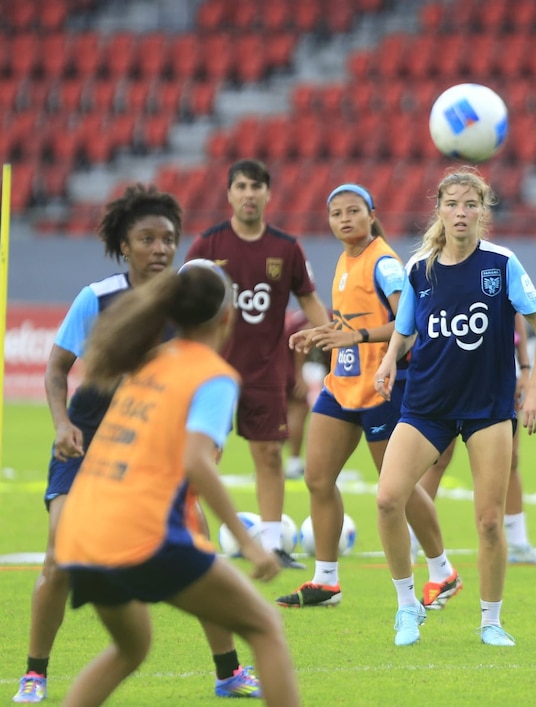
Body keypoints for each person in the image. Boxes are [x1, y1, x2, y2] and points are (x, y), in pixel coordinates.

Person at [13, 185, 260, 704]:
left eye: (168, 238)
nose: (160, 248)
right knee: (59, 558)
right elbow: (58, 370)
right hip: (85, 450)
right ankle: (35, 673)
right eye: (146, 239)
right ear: (124, 246)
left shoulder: (192, 301)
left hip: (158, 457)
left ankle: (229, 672)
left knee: (201, 548)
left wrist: (210, 440)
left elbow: (206, 379)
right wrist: (61, 425)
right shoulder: (98, 298)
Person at [53, 261, 300, 707]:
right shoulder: (213, 375)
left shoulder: (147, 363)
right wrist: (251, 542)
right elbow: (196, 463)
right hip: (140, 535)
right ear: (228, 317)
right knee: (264, 627)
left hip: (80, 532)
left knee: (131, 648)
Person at [373, 167, 536, 647]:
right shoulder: (420, 268)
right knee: (389, 497)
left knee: (489, 520)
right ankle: (407, 607)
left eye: (470, 204)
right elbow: (406, 326)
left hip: (487, 408)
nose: (461, 212)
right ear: (439, 209)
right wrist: (390, 359)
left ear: (483, 211)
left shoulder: (502, 263)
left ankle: (491, 621)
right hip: (426, 406)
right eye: (452, 204)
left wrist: (534, 385)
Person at [274, 184, 462, 611]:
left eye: (353, 211)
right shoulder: (344, 260)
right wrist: (325, 334)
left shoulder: (385, 264)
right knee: (318, 478)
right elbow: (349, 322)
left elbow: (408, 324)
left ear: (371, 214)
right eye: (336, 212)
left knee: (396, 486)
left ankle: (442, 570)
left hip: (382, 386)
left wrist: (355, 336)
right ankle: (326, 581)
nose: (344, 218)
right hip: (342, 386)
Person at [186, 159, 331, 569]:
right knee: (203, 455)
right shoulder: (208, 246)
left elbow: (308, 301)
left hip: (266, 371)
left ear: (268, 194)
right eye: (242, 186)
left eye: (257, 187)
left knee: (269, 456)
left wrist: (341, 344)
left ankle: (272, 546)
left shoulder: (286, 248)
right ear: (229, 194)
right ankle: (190, 539)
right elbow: (183, 301)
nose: (249, 194)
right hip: (213, 374)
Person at [417, 313, 536, 565]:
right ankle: (412, 539)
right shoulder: (434, 274)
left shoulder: (503, 274)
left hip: (497, 373)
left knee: (511, 460)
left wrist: (525, 369)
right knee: (438, 459)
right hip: (454, 371)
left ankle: (518, 543)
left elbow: (517, 314)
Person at [282, 309, 312, 481]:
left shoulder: (296, 315)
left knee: (285, 414)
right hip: (290, 368)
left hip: (280, 365)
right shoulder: (326, 315)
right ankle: (293, 462)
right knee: (298, 409)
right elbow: (303, 341)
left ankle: (282, 461)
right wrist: (299, 374)